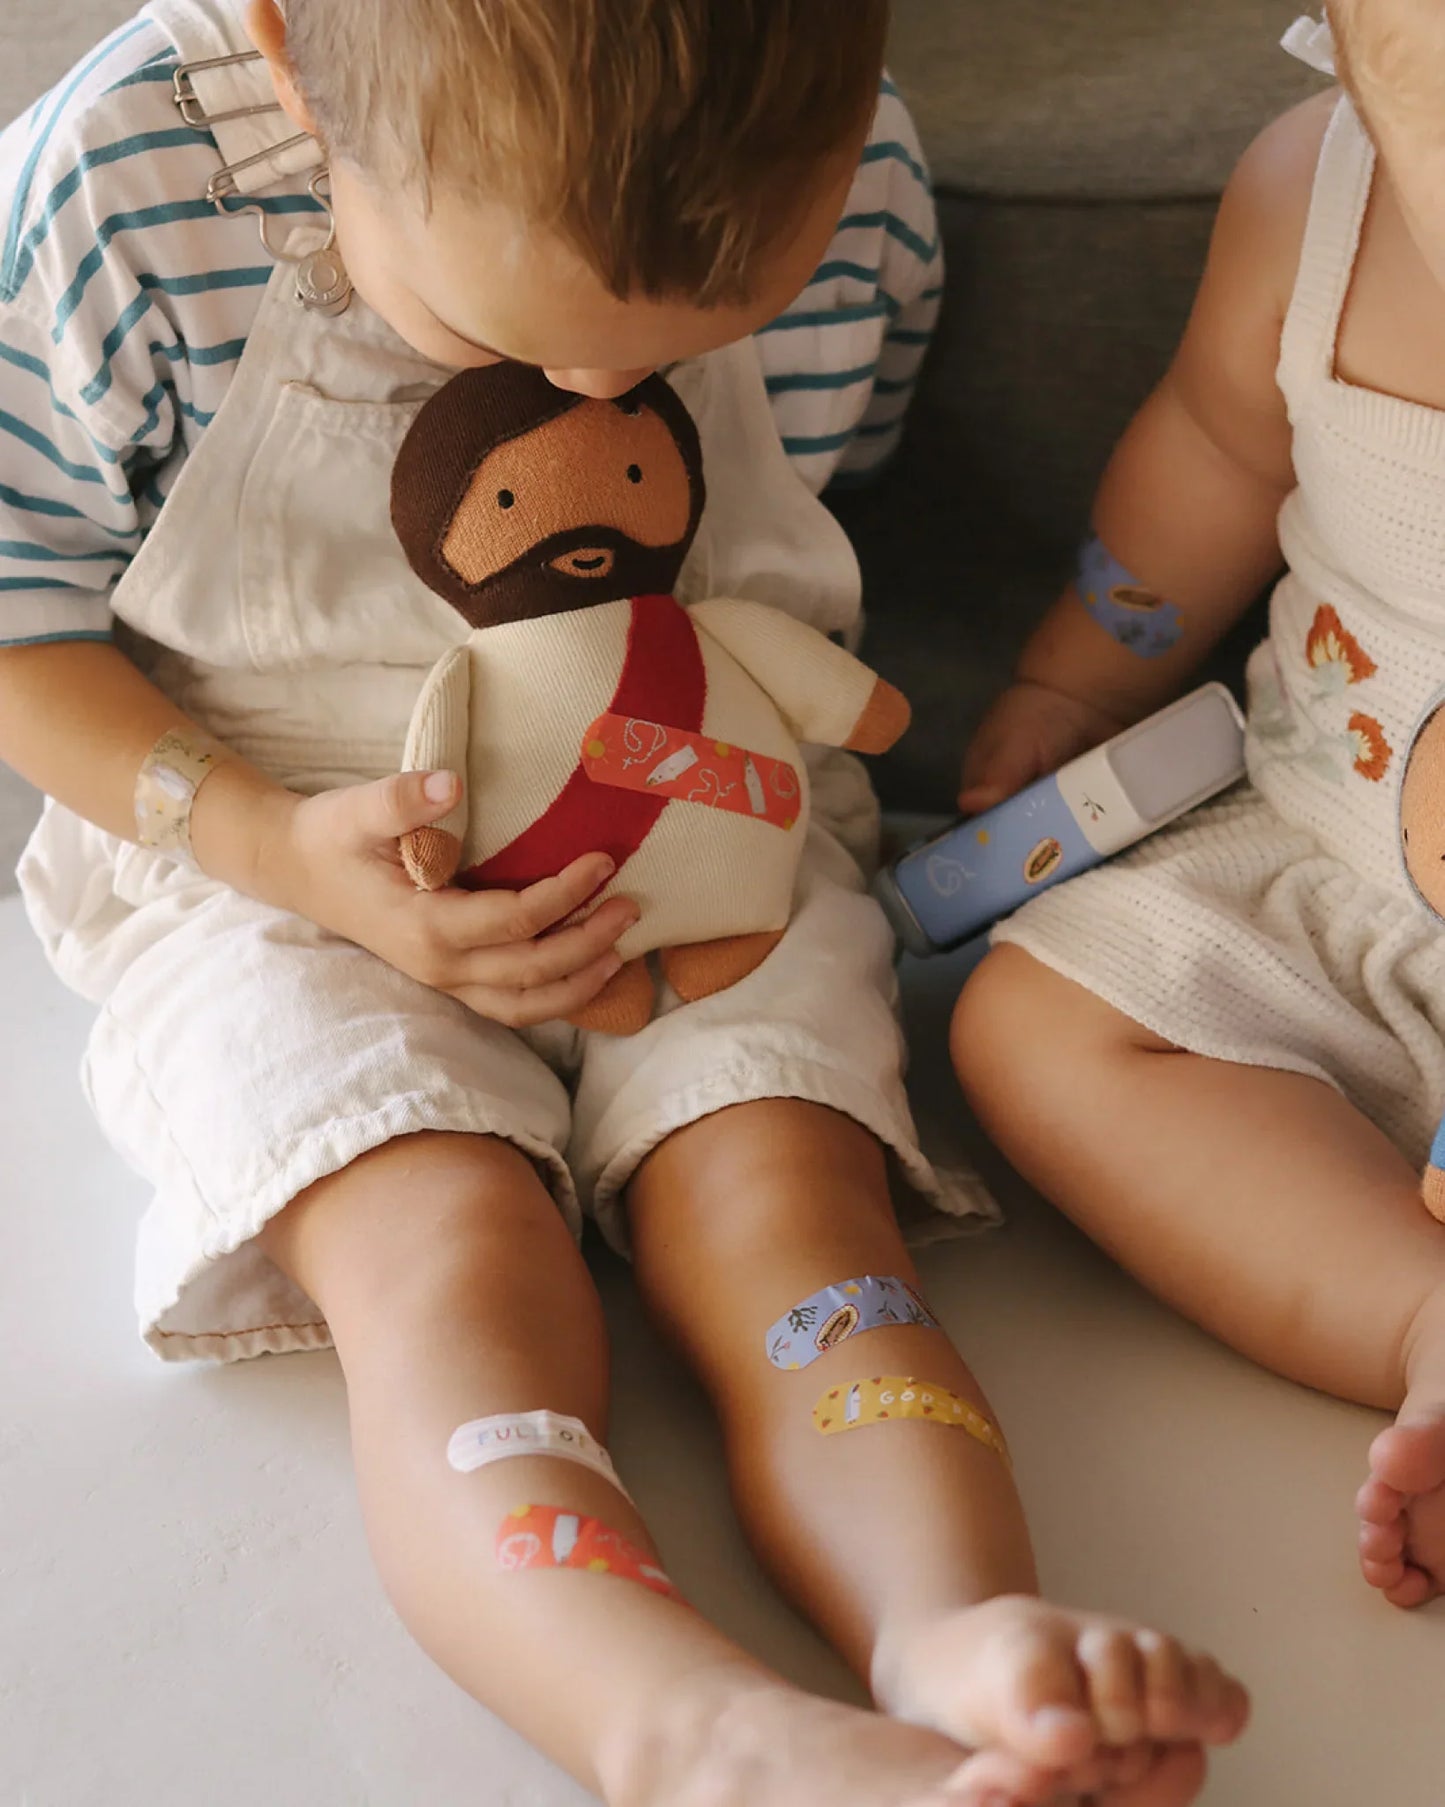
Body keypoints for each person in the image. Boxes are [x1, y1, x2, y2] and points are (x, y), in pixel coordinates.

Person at [0, 4, 1247, 1803]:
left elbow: (788, 514)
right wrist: (281, 851)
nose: (596, 398)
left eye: (706, 334)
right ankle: (685, 1728)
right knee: (446, 1253)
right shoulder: (116, 192)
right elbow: (21, 624)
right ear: (293, 64)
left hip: (712, 817)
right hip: (270, 848)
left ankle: (959, 1633)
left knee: (794, 1221)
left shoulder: (842, 152)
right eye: (504, 341)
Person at [955, 5, 1445, 1619]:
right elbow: (1213, 453)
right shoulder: (1311, 195)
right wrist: (1078, 682)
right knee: (1037, 1025)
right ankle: (1416, 1318)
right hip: (1314, 867)